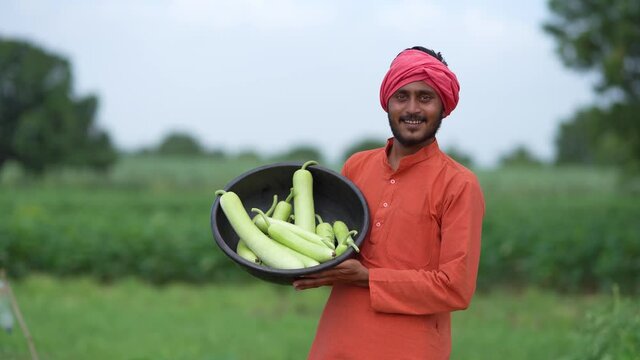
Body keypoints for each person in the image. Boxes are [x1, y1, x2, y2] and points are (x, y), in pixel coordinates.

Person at [292, 46, 485, 359]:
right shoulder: (356, 166)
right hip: (336, 341)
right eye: (402, 96)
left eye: (425, 97)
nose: (412, 108)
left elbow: (455, 288)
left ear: (443, 106)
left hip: (411, 348)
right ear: (387, 102)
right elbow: (332, 245)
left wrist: (367, 277)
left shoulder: (459, 184)